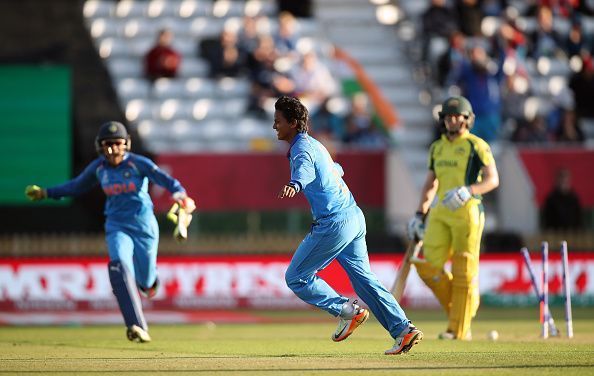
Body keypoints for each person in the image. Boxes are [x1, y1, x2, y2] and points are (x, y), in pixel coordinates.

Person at [273, 96, 422, 355]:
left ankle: (346, 310)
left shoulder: (300, 150)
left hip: (333, 223)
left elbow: (305, 173)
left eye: (278, 122)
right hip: (354, 217)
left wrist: (295, 184)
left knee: (296, 277)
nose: (274, 127)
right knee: (365, 281)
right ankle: (403, 329)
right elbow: (337, 169)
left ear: (293, 123)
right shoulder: (316, 145)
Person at [24, 121, 196, 343]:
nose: (112, 149)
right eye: (107, 145)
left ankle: (149, 282)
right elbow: (76, 186)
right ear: (100, 146)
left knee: (146, 283)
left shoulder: (138, 164)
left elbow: (166, 180)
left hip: (144, 227)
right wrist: (46, 193)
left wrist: (181, 195)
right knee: (118, 266)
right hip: (117, 225)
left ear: (126, 144)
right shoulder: (99, 168)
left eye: (117, 144)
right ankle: (136, 325)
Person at [407, 96, 499, 340]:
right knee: (427, 267)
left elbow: (493, 179)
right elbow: (430, 184)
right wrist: (419, 214)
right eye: (448, 117)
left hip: (468, 212)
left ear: (467, 119)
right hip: (439, 212)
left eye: (457, 116)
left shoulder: (476, 145)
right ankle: (466, 309)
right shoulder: (437, 147)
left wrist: (469, 190)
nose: (452, 120)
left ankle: (457, 329)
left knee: (463, 272)